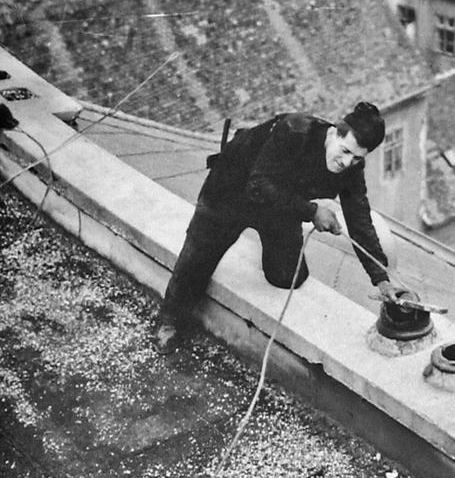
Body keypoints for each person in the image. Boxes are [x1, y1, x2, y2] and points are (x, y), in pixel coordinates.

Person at [155, 101, 398, 354]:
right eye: (345, 151)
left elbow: (359, 220)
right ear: (336, 131)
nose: (347, 162)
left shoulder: (352, 169)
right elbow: (258, 184)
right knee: (197, 259)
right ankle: (170, 320)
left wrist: (381, 278)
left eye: (357, 158)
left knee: (287, 276)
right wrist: (312, 211)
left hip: (277, 206)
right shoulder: (294, 131)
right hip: (230, 193)